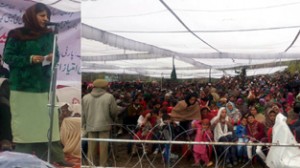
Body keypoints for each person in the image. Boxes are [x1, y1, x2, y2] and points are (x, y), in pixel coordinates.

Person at [2, 3, 71, 166]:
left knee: (48, 124)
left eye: (47, 16)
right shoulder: (16, 34)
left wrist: (50, 58)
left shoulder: (49, 36)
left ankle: (53, 157)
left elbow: (57, 57)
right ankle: (22, 156)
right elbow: (8, 57)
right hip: (22, 87)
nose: (46, 19)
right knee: (25, 125)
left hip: (44, 87)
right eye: (42, 15)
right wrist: (30, 59)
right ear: (32, 16)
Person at [82, 79, 119, 167]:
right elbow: (114, 111)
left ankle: (91, 165)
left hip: (90, 126)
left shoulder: (85, 97)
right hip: (104, 126)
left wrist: (84, 125)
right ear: (105, 87)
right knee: (103, 149)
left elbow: (83, 114)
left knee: (91, 148)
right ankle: (103, 165)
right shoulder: (109, 97)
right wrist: (113, 120)